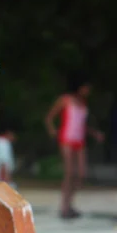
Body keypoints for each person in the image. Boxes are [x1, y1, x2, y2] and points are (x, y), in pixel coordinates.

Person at [44, 74, 104, 219]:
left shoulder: (83, 103)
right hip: (67, 139)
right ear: (79, 87)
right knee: (69, 173)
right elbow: (49, 117)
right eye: (86, 87)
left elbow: (81, 123)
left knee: (81, 173)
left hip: (80, 140)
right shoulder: (65, 100)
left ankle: (70, 204)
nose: (88, 90)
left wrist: (94, 133)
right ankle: (65, 208)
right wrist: (52, 130)